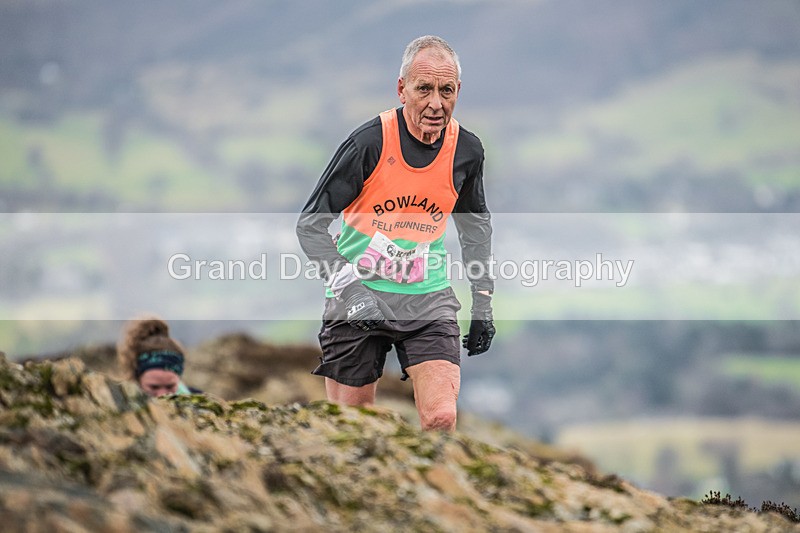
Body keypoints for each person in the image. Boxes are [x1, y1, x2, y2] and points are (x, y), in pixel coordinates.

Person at [296, 35, 495, 431]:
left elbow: (475, 227)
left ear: (458, 92)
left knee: (441, 417)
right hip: (357, 296)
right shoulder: (368, 143)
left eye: (446, 90)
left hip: (427, 299)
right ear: (402, 89)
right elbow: (311, 226)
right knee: (352, 430)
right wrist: (352, 294)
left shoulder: (466, 151)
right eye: (424, 89)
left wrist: (483, 302)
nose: (436, 103)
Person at [117, 316, 199, 397]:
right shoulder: (118, 404)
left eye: (170, 386)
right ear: (138, 379)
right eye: (154, 387)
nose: (162, 395)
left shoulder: (202, 403)